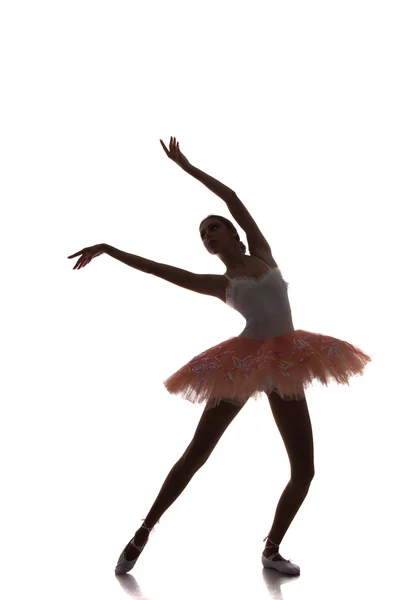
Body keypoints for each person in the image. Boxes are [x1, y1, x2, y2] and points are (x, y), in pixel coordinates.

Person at [68, 137, 372, 577]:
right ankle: (143, 532)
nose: (209, 236)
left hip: (287, 360)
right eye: (203, 235)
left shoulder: (263, 254)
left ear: (233, 231)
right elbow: (160, 270)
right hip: (244, 363)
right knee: (197, 452)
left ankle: (271, 548)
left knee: (304, 470)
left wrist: (186, 166)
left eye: (214, 228)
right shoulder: (222, 283)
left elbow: (232, 197)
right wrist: (110, 250)